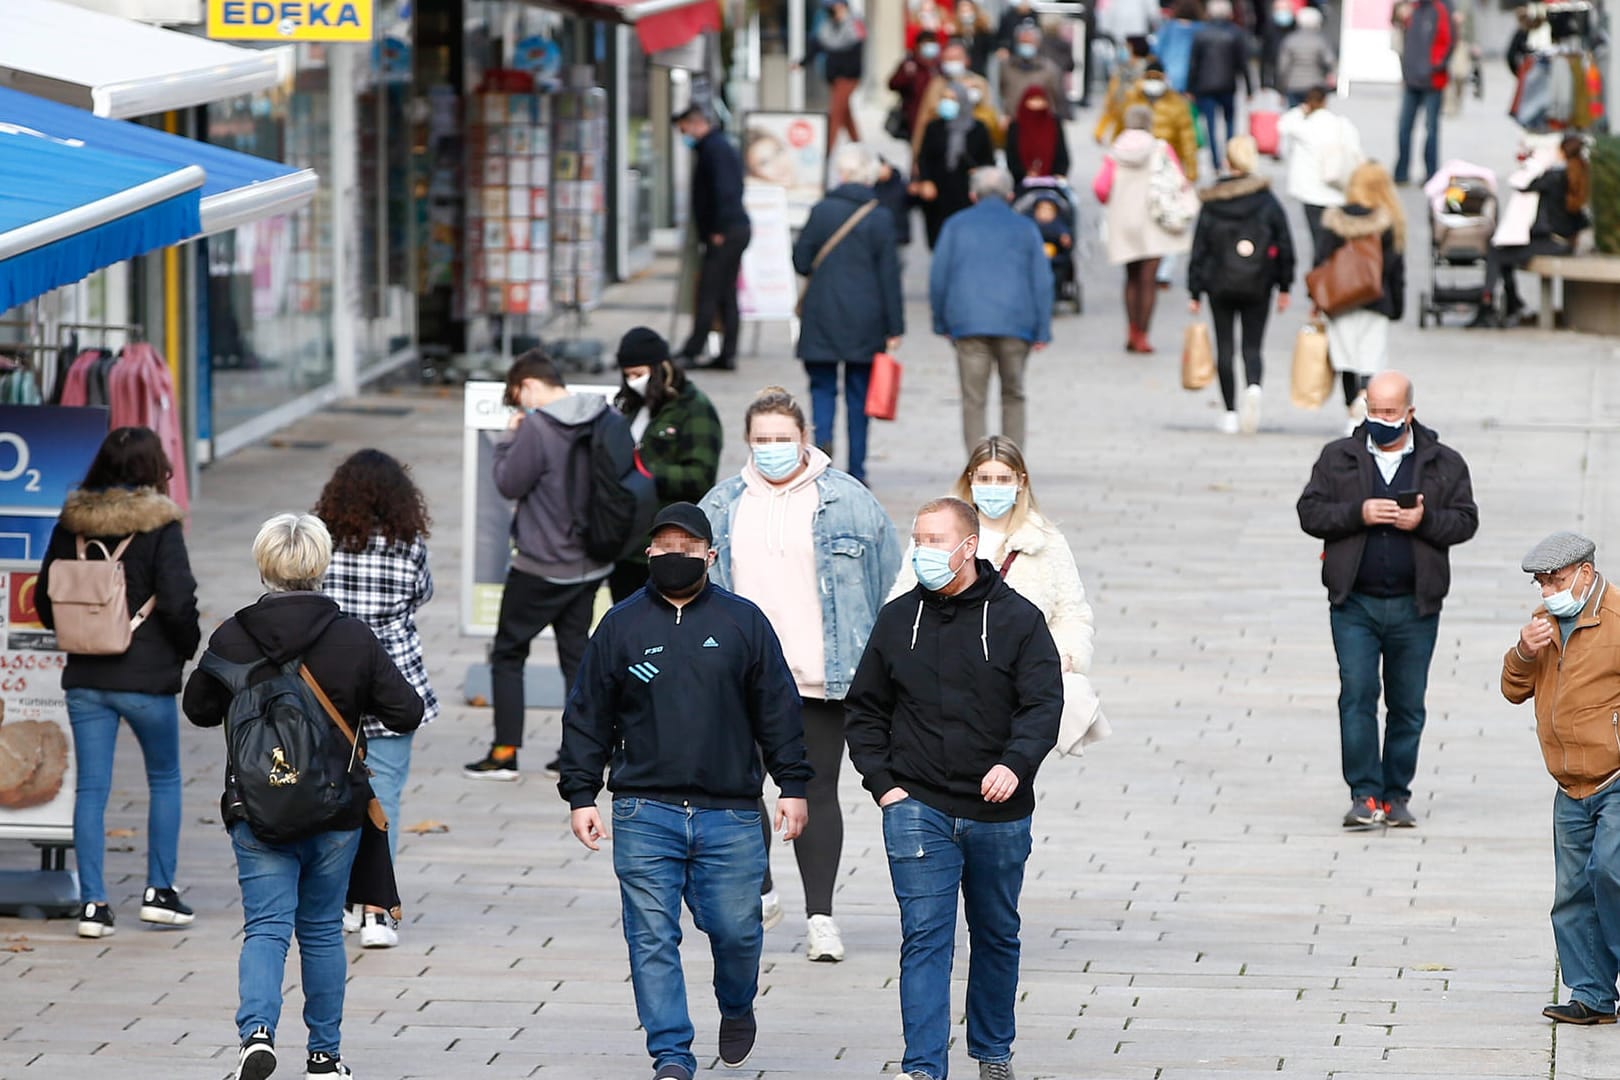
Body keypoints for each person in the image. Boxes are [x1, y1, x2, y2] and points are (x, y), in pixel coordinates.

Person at [557, 503, 812, 1080]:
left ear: (710, 555)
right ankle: (671, 1054)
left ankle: (736, 1003)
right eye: (664, 547)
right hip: (645, 808)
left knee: (737, 931)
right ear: (648, 554)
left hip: (731, 812)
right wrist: (580, 794)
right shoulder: (620, 626)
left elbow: (778, 709)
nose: (675, 556)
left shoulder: (744, 622)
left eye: (687, 547)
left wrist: (792, 785)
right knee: (650, 936)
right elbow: (588, 714)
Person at [184, 513, 424, 1080]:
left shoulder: (232, 636)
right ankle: (324, 1055)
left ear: (263, 563)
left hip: (257, 808)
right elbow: (406, 711)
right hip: (336, 809)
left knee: (266, 927)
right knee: (318, 930)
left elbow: (197, 709)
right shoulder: (351, 634)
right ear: (320, 564)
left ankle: (257, 1035)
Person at [845, 496, 1063, 1080]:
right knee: (925, 938)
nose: (924, 550)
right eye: (919, 539)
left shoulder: (1018, 619)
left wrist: (1015, 765)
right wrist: (885, 785)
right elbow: (864, 709)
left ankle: (992, 1053)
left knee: (996, 934)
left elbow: (1043, 705)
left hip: (999, 810)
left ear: (969, 546)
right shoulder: (897, 620)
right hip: (917, 806)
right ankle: (922, 1067)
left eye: (937, 540)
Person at [698, 387, 901, 961]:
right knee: (739, 787)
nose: (772, 450)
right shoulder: (723, 505)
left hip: (822, 676)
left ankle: (821, 917)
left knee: (816, 792)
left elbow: (891, 578)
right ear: (747, 442)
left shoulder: (848, 500)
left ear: (804, 438)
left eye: (782, 440)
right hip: (741, 677)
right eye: (761, 441)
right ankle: (761, 886)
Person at [35, 426, 200, 940]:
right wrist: (185, 646)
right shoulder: (161, 527)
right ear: (154, 468)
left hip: (85, 676)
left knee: (92, 788)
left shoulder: (71, 524)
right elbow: (177, 601)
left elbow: (45, 601)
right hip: (147, 677)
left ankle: (93, 906)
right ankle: (159, 893)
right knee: (165, 778)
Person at [1295, 371, 1478, 830]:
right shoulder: (1339, 457)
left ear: (1410, 412)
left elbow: (1466, 521)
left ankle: (1396, 794)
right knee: (1356, 693)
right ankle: (1364, 794)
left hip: (1416, 606)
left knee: (1408, 702)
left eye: (1390, 412)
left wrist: (1423, 520)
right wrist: (1358, 513)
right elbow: (1309, 511)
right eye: (1373, 410)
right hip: (1354, 602)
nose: (1381, 419)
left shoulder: (1443, 462)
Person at [468, 350, 621, 781]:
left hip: (540, 566)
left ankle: (504, 752)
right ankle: (581, 751)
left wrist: (508, 438)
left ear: (530, 386)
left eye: (518, 398)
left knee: (508, 653)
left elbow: (507, 482)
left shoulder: (536, 426)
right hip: (590, 563)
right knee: (576, 656)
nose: (521, 407)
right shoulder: (600, 415)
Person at [312, 449, 436, 950]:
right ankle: (378, 911)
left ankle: (339, 900)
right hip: (393, 679)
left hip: (329, 680)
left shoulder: (324, 543)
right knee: (386, 797)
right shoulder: (409, 545)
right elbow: (421, 595)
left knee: (330, 795)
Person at [1502, 531, 1620, 1026]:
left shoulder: (1615, 620)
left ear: (1585, 574)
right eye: (1542, 582)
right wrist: (1525, 653)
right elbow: (1512, 689)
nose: (1549, 589)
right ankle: (1592, 995)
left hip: (1614, 776)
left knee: (1611, 872)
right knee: (1571, 893)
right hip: (1569, 783)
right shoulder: (1543, 623)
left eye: (1557, 579)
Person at [889, 437, 1096, 688]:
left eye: (1003, 479)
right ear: (970, 480)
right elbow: (903, 599)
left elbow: (1071, 612)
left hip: (1023, 678)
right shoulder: (936, 534)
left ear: (1021, 481)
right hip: (944, 676)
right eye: (985, 479)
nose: (993, 487)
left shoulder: (1046, 542)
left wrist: (1065, 658)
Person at [793, 144, 905, 483]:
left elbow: (800, 261)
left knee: (822, 389)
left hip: (822, 314)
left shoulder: (821, 211)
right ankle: (857, 471)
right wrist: (895, 326)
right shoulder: (880, 216)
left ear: (840, 174)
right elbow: (890, 276)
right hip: (866, 320)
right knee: (860, 398)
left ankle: (821, 461)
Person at [931, 167, 1052, 453]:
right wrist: (1042, 329)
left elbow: (939, 277)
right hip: (1016, 322)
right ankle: (1011, 463)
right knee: (1014, 394)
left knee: (973, 398)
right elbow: (1042, 280)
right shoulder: (1025, 227)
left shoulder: (955, 225)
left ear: (973, 195)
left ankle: (977, 467)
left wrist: (941, 322)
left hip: (968, 321)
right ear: (1010, 196)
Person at [1188, 135, 1295, 435]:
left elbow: (1200, 247)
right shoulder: (1267, 200)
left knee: (1225, 345)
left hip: (1219, 283)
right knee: (1252, 345)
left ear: (1228, 161)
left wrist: (1194, 290)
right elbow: (1284, 243)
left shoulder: (1213, 202)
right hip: (1259, 282)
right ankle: (1254, 387)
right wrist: (1285, 285)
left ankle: (1230, 411)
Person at [607, 327, 723, 602]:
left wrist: (643, 472)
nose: (633, 381)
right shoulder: (630, 406)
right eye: (628, 375)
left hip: (665, 544)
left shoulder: (694, 408)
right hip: (624, 543)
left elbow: (701, 477)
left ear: (661, 368)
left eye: (639, 374)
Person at [1315, 162, 1407, 433]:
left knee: (1346, 361)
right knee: (1371, 360)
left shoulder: (1334, 222)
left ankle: (1351, 410)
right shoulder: (1387, 223)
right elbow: (1394, 269)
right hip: (1375, 301)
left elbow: (1321, 263)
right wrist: (1397, 305)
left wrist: (1317, 300)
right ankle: (1364, 405)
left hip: (1340, 301)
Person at [1094, 104, 1194, 354]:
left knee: (1131, 278)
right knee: (1149, 280)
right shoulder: (1161, 149)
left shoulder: (1115, 152)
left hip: (1124, 220)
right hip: (1153, 220)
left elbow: (1101, 189)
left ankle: (1131, 330)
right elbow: (1177, 180)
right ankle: (1144, 334)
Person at [1471, 134, 1590, 328]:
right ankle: (1513, 302)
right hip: (1565, 242)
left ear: (1561, 152)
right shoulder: (1578, 174)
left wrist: (1537, 163)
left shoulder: (1554, 178)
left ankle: (1488, 304)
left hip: (1552, 243)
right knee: (1503, 252)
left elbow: (1523, 184)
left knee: (1496, 251)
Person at [673, 105, 750, 371]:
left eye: (684, 129)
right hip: (732, 229)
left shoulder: (714, 149)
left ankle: (694, 349)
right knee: (725, 292)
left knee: (709, 291)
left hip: (726, 232)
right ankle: (726, 353)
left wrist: (718, 228)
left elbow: (725, 190)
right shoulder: (715, 147)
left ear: (695, 124)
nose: (683, 135)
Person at [1278, 86, 1363, 262]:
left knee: (1318, 242)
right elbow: (1357, 155)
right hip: (1338, 193)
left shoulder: (1304, 126)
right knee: (1336, 244)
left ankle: (1320, 281)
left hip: (1311, 195)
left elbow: (1282, 124)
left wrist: (1301, 109)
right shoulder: (1342, 125)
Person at [913, 87, 996, 249]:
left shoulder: (978, 129)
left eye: (952, 99)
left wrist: (980, 172)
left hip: (967, 192)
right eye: (944, 98)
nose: (947, 103)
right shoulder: (934, 127)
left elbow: (988, 160)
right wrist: (925, 181)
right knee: (939, 239)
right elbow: (923, 157)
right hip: (938, 192)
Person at [1392, 0, 1454, 185]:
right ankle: (1401, 173)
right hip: (1411, 79)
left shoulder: (1440, 9)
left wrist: (1435, 66)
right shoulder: (1412, 9)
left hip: (1432, 81)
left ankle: (1431, 174)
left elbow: (1448, 40)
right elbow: (1398, 28)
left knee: (1431, 129)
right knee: (1404, 127)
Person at [1187, 0, 1253, 172]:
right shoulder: (1236, 34)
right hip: (1227, 85)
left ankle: (1216, 162)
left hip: (1205, 86)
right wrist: (1249, 88)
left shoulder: (1201, 34)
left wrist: (1190, 88)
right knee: (1230, 123)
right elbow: (1243, 64)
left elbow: (1193, 64)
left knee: (1210, 125)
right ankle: (1230, 159)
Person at [912, 39, 1001, 156]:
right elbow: (924, 118)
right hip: (941, 148)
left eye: (956, 59)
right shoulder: (937, 84)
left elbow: (990, 117)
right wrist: (916, 154)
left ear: (966, 61)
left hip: (973, 147)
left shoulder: (979, 83)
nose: (951, 63)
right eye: (948, 59)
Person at [801, 0, 866, 151]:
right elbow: (816, 46)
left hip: (848, 76)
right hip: (833, 77)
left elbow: (854, 49)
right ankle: (859, 146)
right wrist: (801, 63)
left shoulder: (854, 25)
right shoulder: (827, 26)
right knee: (845, 114)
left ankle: (827, 150)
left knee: (835, 113)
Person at [999, 21, 1069, 125]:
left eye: (1029, 41)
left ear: (1037, 43)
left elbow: (1057, 97)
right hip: (1014, 122)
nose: (1026, 45)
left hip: (1040, 123)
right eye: (1023, 41)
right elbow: (1001, 91)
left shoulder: (1049, 69)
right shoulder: (1006, 67)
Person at [1006, 86, 1071, 185]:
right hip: (1022, 182)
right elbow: (1011, 157)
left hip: (1052, 181)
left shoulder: (1054, 124)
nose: (1036, 104)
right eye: (1032, 100)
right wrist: (1024, 174)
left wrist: (1058, 175)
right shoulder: (1015, 127)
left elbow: (1062, 153)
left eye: (1040, 100)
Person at [1276, 7, 1337, 106]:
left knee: (1295, 116)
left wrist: (1280, 89)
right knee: (1314, 118)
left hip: (1293, 85)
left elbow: (1282, 67)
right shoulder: (1320, 41)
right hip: (1315, 86)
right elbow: (1330, 62)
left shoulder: (1290, 40)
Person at [890, 30, 943, 137]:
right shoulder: (910, 64)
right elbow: (893, 84)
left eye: (932, 43)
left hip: (935, 113)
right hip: (914, 114)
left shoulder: (939, 65)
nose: (930, 47)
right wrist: (906, 74)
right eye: (926, 43)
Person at [1154, 0, 1206, 95]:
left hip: (1171, 76)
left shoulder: (1167, 28)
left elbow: (1157, 50)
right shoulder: (1203, 29)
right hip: (1197, 78)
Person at [1259, 0, 1296, 90]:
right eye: (1279, 9)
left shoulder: (1296, 26)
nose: (1282, 12)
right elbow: (1264, 52)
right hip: (1275, 66)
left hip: (1294, 71)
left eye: (1285, 9)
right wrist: (1263, 81)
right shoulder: (1269, 26)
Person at [954, 0, 996, 74]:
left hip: (979, 70)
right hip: (959, 70)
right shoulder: (955, 31)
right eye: (962, 10)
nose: (965, 13)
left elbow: (991, 46)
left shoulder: (983, 30)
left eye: (968, 10)